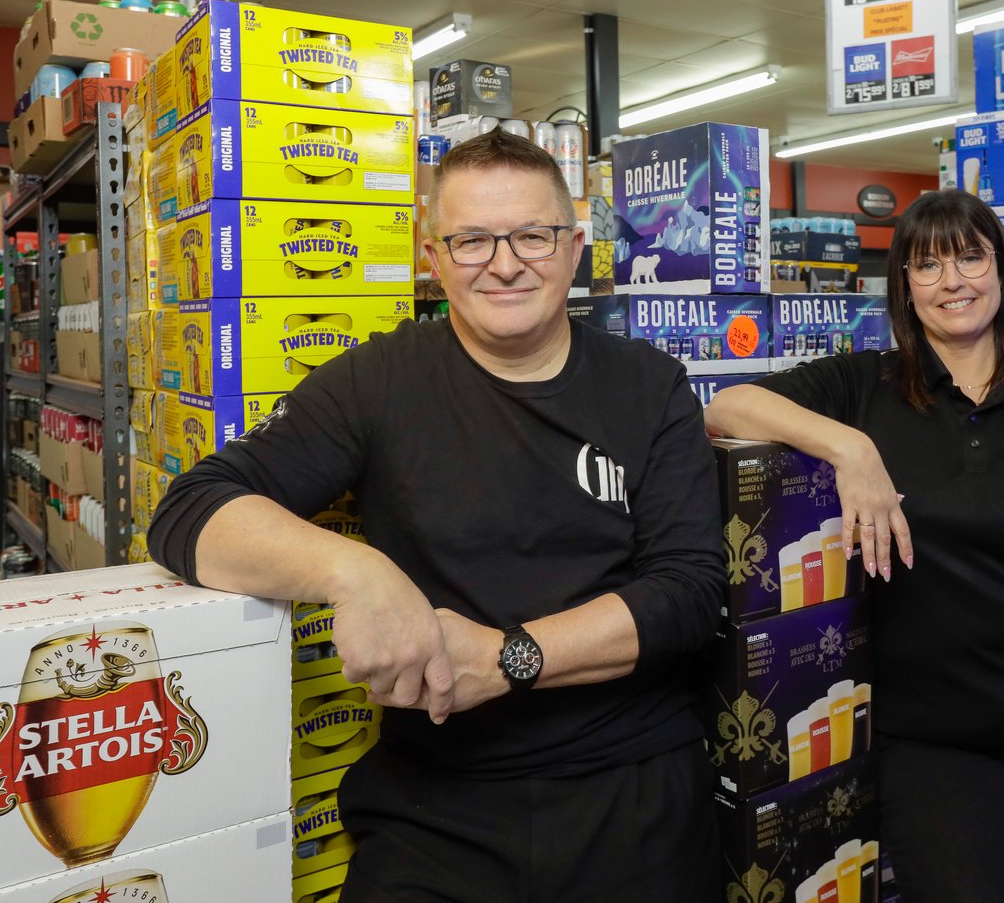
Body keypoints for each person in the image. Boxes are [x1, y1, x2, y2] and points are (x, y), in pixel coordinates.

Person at [148, 128, 725, 903]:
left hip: (632, 785)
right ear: (433, 258)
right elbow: (191, 509)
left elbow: (689, 592)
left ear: (577, 247)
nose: (507, 262)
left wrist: (508, 656)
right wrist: (355, 571)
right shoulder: (377, 380)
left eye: (533, 235)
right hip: (437, 797)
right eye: (473, 240)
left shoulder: (649, 385)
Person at [704, 189, 1004, 903]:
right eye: (926, 265)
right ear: (903, 285)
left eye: (969, 256)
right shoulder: (863, 389)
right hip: (940, 747)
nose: (952, 280)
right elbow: (724, 407)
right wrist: (850, 447)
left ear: (1001, 272)